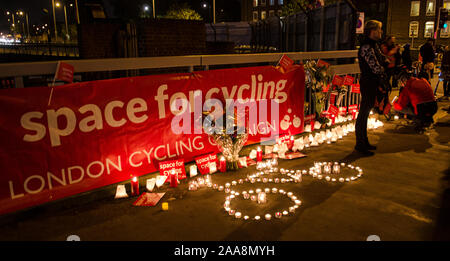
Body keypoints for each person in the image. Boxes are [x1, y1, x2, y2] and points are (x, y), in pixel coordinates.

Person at [356, 20, 389, 156]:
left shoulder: (373, 45)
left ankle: (364, 141)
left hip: (371, 82)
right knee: (364, 112)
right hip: (368, 82)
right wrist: (384, 67)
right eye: (379, 30)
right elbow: (376, 67)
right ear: (373, 31)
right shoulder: (366, 47)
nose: (381, 32)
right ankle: (360, 143)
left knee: (366, 110)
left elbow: (382, 60)